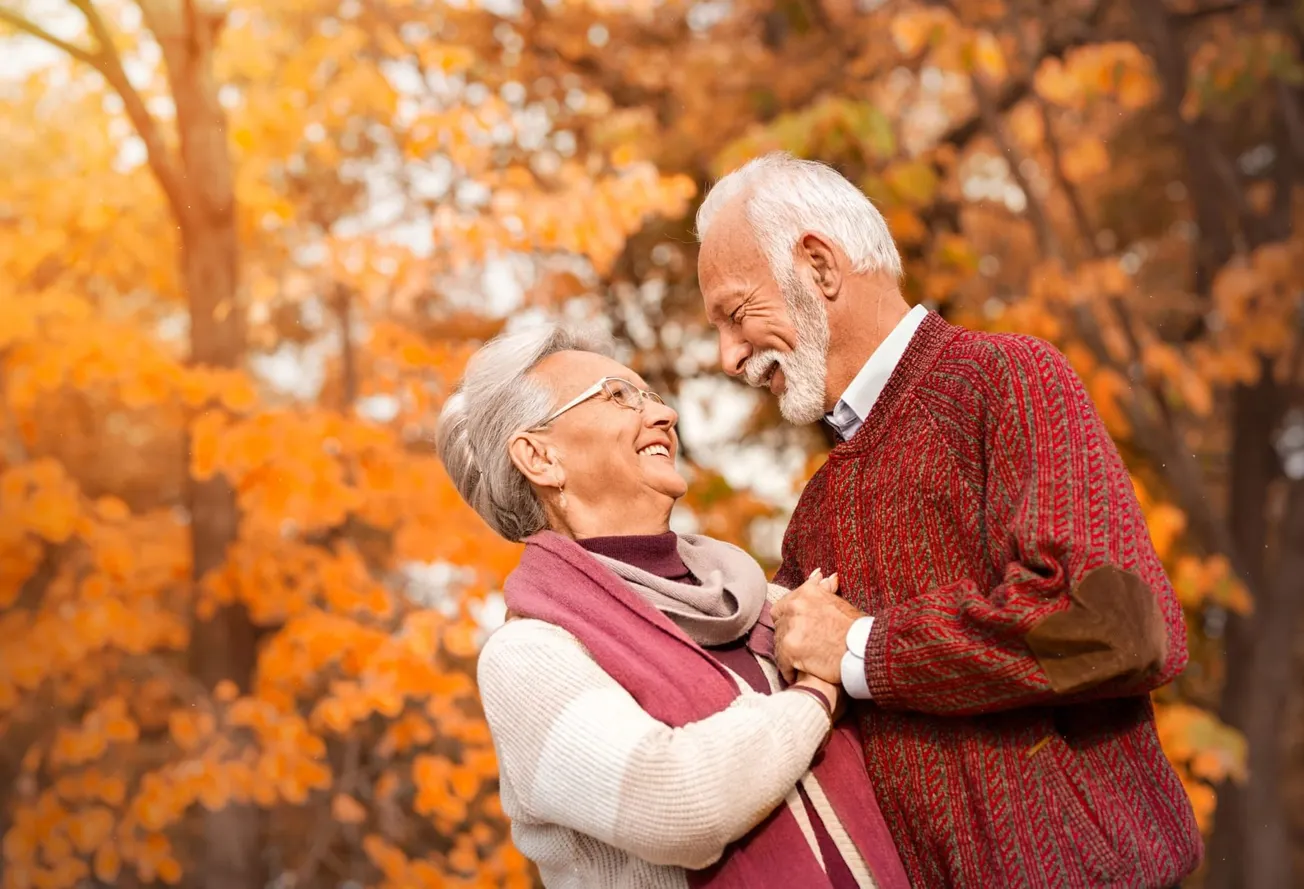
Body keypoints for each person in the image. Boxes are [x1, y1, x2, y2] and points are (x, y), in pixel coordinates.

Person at [694, 152, 1204, 889]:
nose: (727, 354)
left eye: (737, 314)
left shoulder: (1006, 378)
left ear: (819, 267)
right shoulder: (813, 514)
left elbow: (1121, 625)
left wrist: (863, 647)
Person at [435, 324, 910, 889]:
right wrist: (816, 694)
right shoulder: (529, 653)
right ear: (541, 458)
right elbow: (674, 800)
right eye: (618, 396)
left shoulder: (770, 605)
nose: (665, 416)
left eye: (653, 397)